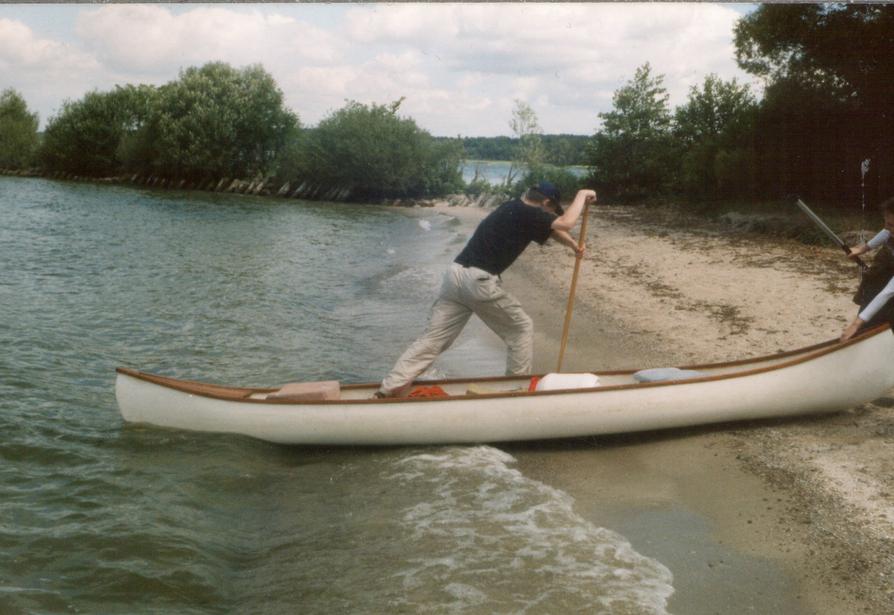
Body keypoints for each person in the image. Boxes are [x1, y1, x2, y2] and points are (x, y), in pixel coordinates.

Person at [375, 182, 597, 397]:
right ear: (546, 202)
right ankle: (516, 390)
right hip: (478, 281)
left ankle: (389, 387)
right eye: (551, 210)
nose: (551, 216)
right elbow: (566, 223)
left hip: (454, 276)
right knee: (520, 329)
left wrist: (573, 246)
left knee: (433, 339)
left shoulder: (512, 208)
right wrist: (582, 193)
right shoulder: (531, 213)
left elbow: (554, 231)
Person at [840, 196, 894, 341]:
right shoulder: (890, 229)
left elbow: (889, 291)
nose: (888, 228)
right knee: (873, 284)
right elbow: (886, 232)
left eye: (892, 225)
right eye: (887, 223)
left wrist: (857, 323)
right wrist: (863, 249)